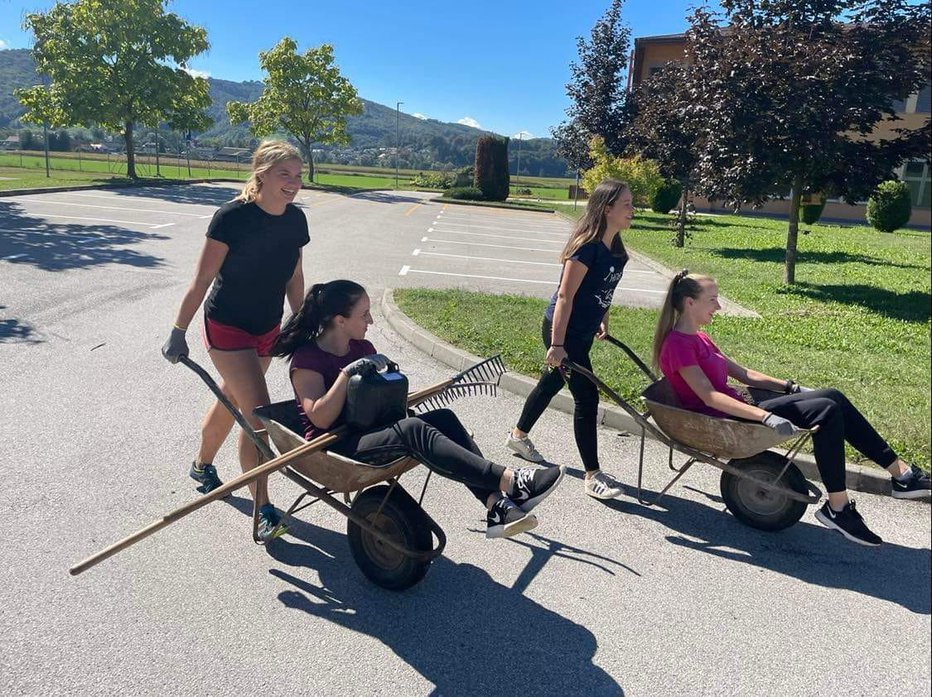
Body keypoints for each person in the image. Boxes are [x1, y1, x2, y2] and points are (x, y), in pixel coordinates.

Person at [652, 270, 931, 546]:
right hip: (723, 418)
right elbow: (710, 397)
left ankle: (902, 476)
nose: (719, 306)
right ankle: (838, 509)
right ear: (690, 302)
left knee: (832, 396)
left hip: (740, 404)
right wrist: (767, 416)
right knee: (826, 410)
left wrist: (791, 387)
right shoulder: (678, 345)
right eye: (712, 299)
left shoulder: (700, 338)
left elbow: (744, 374)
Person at [271, 280, 565, 539]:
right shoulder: (307, 359)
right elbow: (319, 417)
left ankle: (496, 506)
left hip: (368, 431)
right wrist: (346, 375)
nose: (371, 320)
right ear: (340, 320)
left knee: (443, 419)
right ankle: (511, 480)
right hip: (335, 446)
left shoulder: (363, 347)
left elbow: (376, 398)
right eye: (364, 314)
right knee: (412, 429)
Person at [161, 140, 310, 542]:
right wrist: (178, 330)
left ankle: (201, 465)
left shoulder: (296, 221)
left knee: (234, 399)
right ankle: (263, 508)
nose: (294, 183)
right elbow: (201, 279)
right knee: (258, 413)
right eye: (285, 175)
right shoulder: (231, 218)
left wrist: (302, 325)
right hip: (227, 327)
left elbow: (294, 278)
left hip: (267, 327)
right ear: (261, 172)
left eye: (298, 176)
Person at [506, 179, 633, 500]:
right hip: (563, 332)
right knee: (587, 398)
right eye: (627, 205)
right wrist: (558, 345)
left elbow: (605, 290)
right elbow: (564, 296)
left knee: (550, 384)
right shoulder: (585, 248)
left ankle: (518, 436)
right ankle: (593, 475)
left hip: (582, 331)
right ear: (607, 210)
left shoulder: (615, 249)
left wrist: (604, 318)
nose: (633, 210)